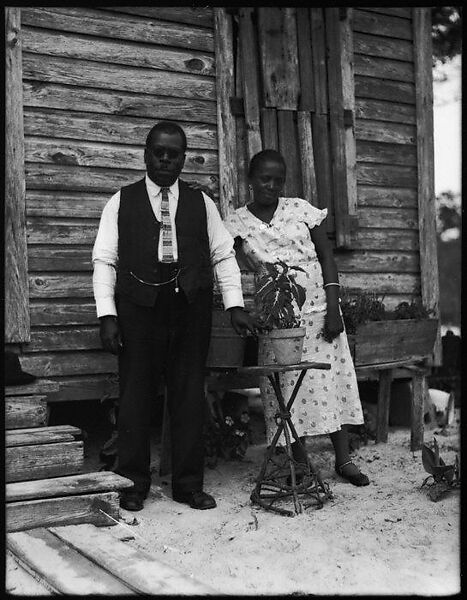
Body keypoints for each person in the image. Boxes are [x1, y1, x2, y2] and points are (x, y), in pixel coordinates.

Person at [92, 121, 254, 511]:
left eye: (173, 154)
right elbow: (105, 260)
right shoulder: (121, 201)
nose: (165, 159)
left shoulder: (202, 204)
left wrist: (234, 305)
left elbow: (223, 254)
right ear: (146, 155)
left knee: (188, 396)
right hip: (138, 310)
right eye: (158, 152)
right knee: (136, 397)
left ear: (183, 159)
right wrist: (107, 315)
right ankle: (133, 484)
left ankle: (188, 485)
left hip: (189, 309)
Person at [223, 149, 370, 487]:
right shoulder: (236, 223)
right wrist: (237, 304)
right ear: (250, 179)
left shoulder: (301, 210)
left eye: (278, 180)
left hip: (318, 308)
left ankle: (343, 459)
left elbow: (327, 258)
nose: (271, 186)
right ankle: (300, 462)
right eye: (264, 179)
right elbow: (223, 260)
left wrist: (333, 308)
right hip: (276, 312)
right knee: (287, 386)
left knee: (330, 380)